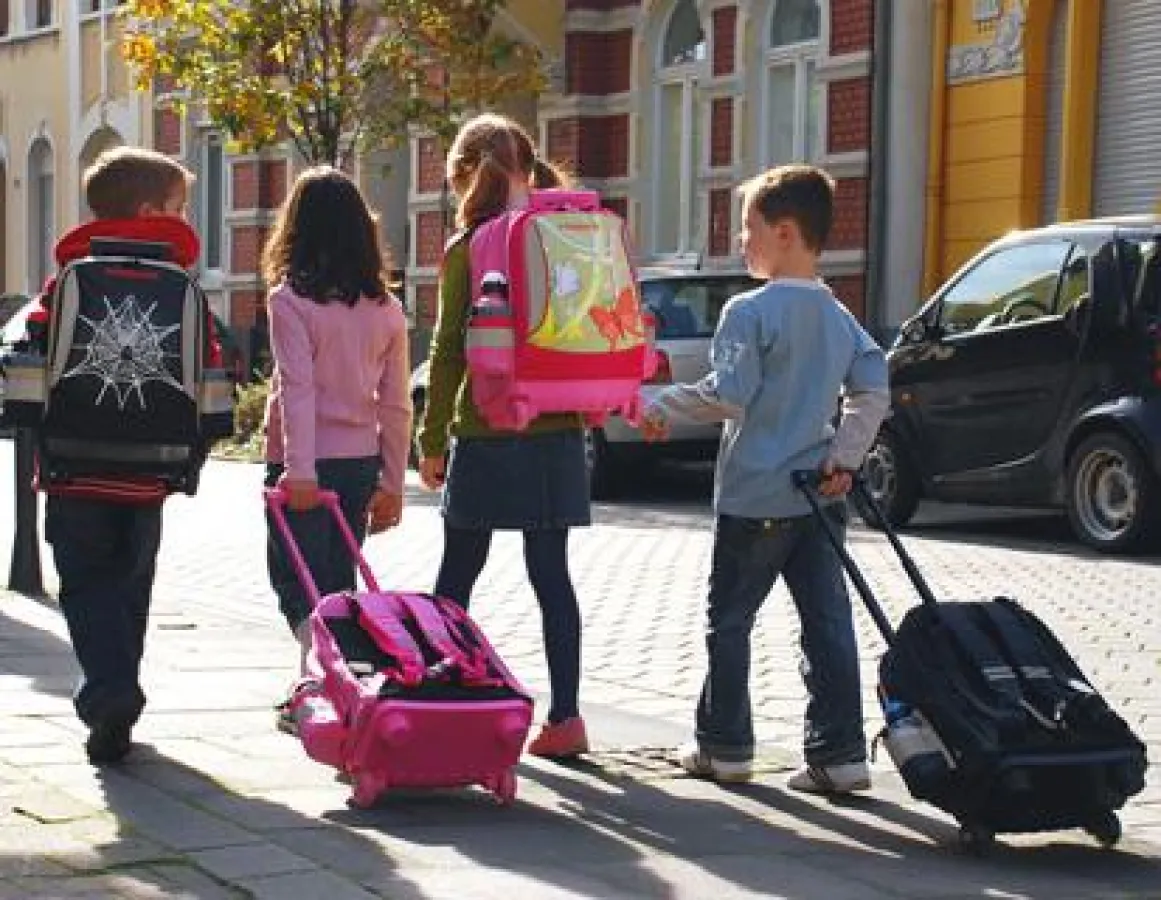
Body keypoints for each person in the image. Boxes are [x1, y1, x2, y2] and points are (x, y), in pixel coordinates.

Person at [640, 164, 890, 794]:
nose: (739, 243)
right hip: (819, 493)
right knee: (826, 624)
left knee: (730, 622)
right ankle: (839, 754)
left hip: (755, 493)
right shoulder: (836, 313)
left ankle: (725, 747)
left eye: (747, 229)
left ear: (784, 232)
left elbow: (730, 393)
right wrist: (845, 456)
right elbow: (873, 386)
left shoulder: (747, 311)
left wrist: (656, 407)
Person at [11, 146, 223, 765]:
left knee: (83, 583)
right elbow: (210, 369)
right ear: (152, 209)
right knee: (132, 585)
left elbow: (31, 360)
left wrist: (31, 430)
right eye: (180, 207)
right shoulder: (181, 284)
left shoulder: (69, 276)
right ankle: (116, 693)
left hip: (73, 466)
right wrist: (198, 448)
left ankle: (109, 693)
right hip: (152, 468)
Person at [415, 113, 591, 759]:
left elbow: (448, 352)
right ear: (531, 166)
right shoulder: (563, 235)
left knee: (458, 572)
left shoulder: (471, 245)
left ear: (463, 173)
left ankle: (434, 696)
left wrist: (430, 438)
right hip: (560, 427)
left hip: (487, 430)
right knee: (552, 577)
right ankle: (566, 718)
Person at [261, 166, 412, 732]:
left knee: (297, 585)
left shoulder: (290, 301)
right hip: (359, 461)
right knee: (337, 582)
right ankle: (322, 684)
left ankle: (331, 687)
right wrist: (392, 481)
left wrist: (297, 470)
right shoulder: (386, 309)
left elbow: (297, 390)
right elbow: (396, 403)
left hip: (305, 463)